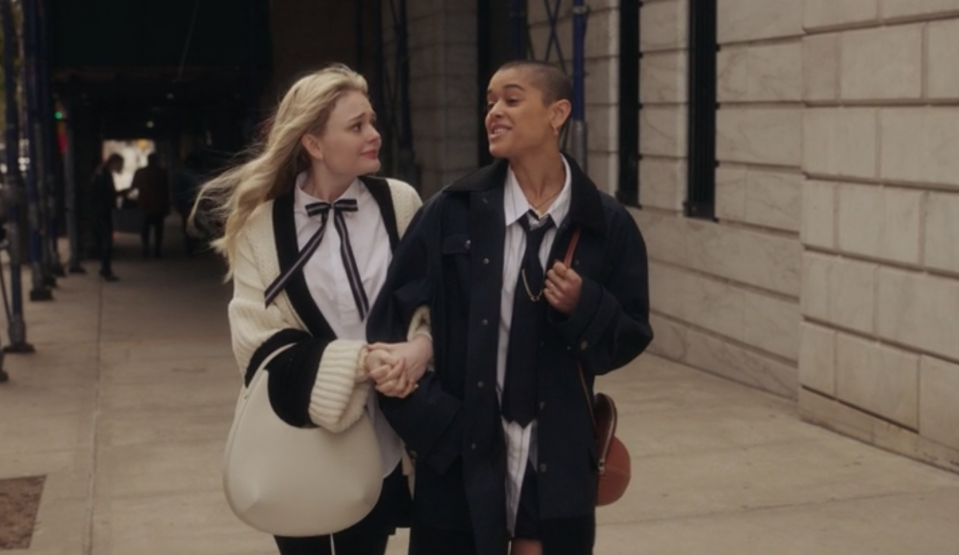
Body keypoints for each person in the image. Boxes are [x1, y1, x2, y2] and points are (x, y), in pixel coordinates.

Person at [367, 60, 654, 555]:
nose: (494, 112)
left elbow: (627, 337)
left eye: (512, 99)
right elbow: (387, 327)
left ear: (557, 113)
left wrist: (585, 306)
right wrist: (441, 429)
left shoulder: (607, 224)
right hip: (461, 456)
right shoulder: (450, 211)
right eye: (490, 102)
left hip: (558, 462)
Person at [192, 64, 431, 555]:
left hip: (385, 432)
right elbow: (256, 337)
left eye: (372, 121)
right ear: (314, 144)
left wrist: (418, 348)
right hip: (300, 429)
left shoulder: (399, 204)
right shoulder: (262, 224)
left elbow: (430, 299)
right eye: (356, 126)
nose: (374, 135)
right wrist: (359, 363)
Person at [89, 153, 125, 282]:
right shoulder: (103, 175)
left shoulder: (101, 173)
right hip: (102, 212)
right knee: (106, 242)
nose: (121, 167)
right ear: (114, 163)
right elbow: (107, 194)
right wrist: (122, 193)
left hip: (99, 211)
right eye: (120, 164)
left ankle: (105, 268)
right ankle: (106, 270)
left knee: (104, 241)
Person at [130, 153, 170, 258]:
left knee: (145, 229)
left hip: (144, 205)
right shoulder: (162, 173)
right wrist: (167, 206)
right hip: (158, 205)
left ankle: (146, 249)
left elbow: (134, 186)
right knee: (159, 230)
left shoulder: (141, 172)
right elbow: (166, 190)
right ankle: (157, 251)